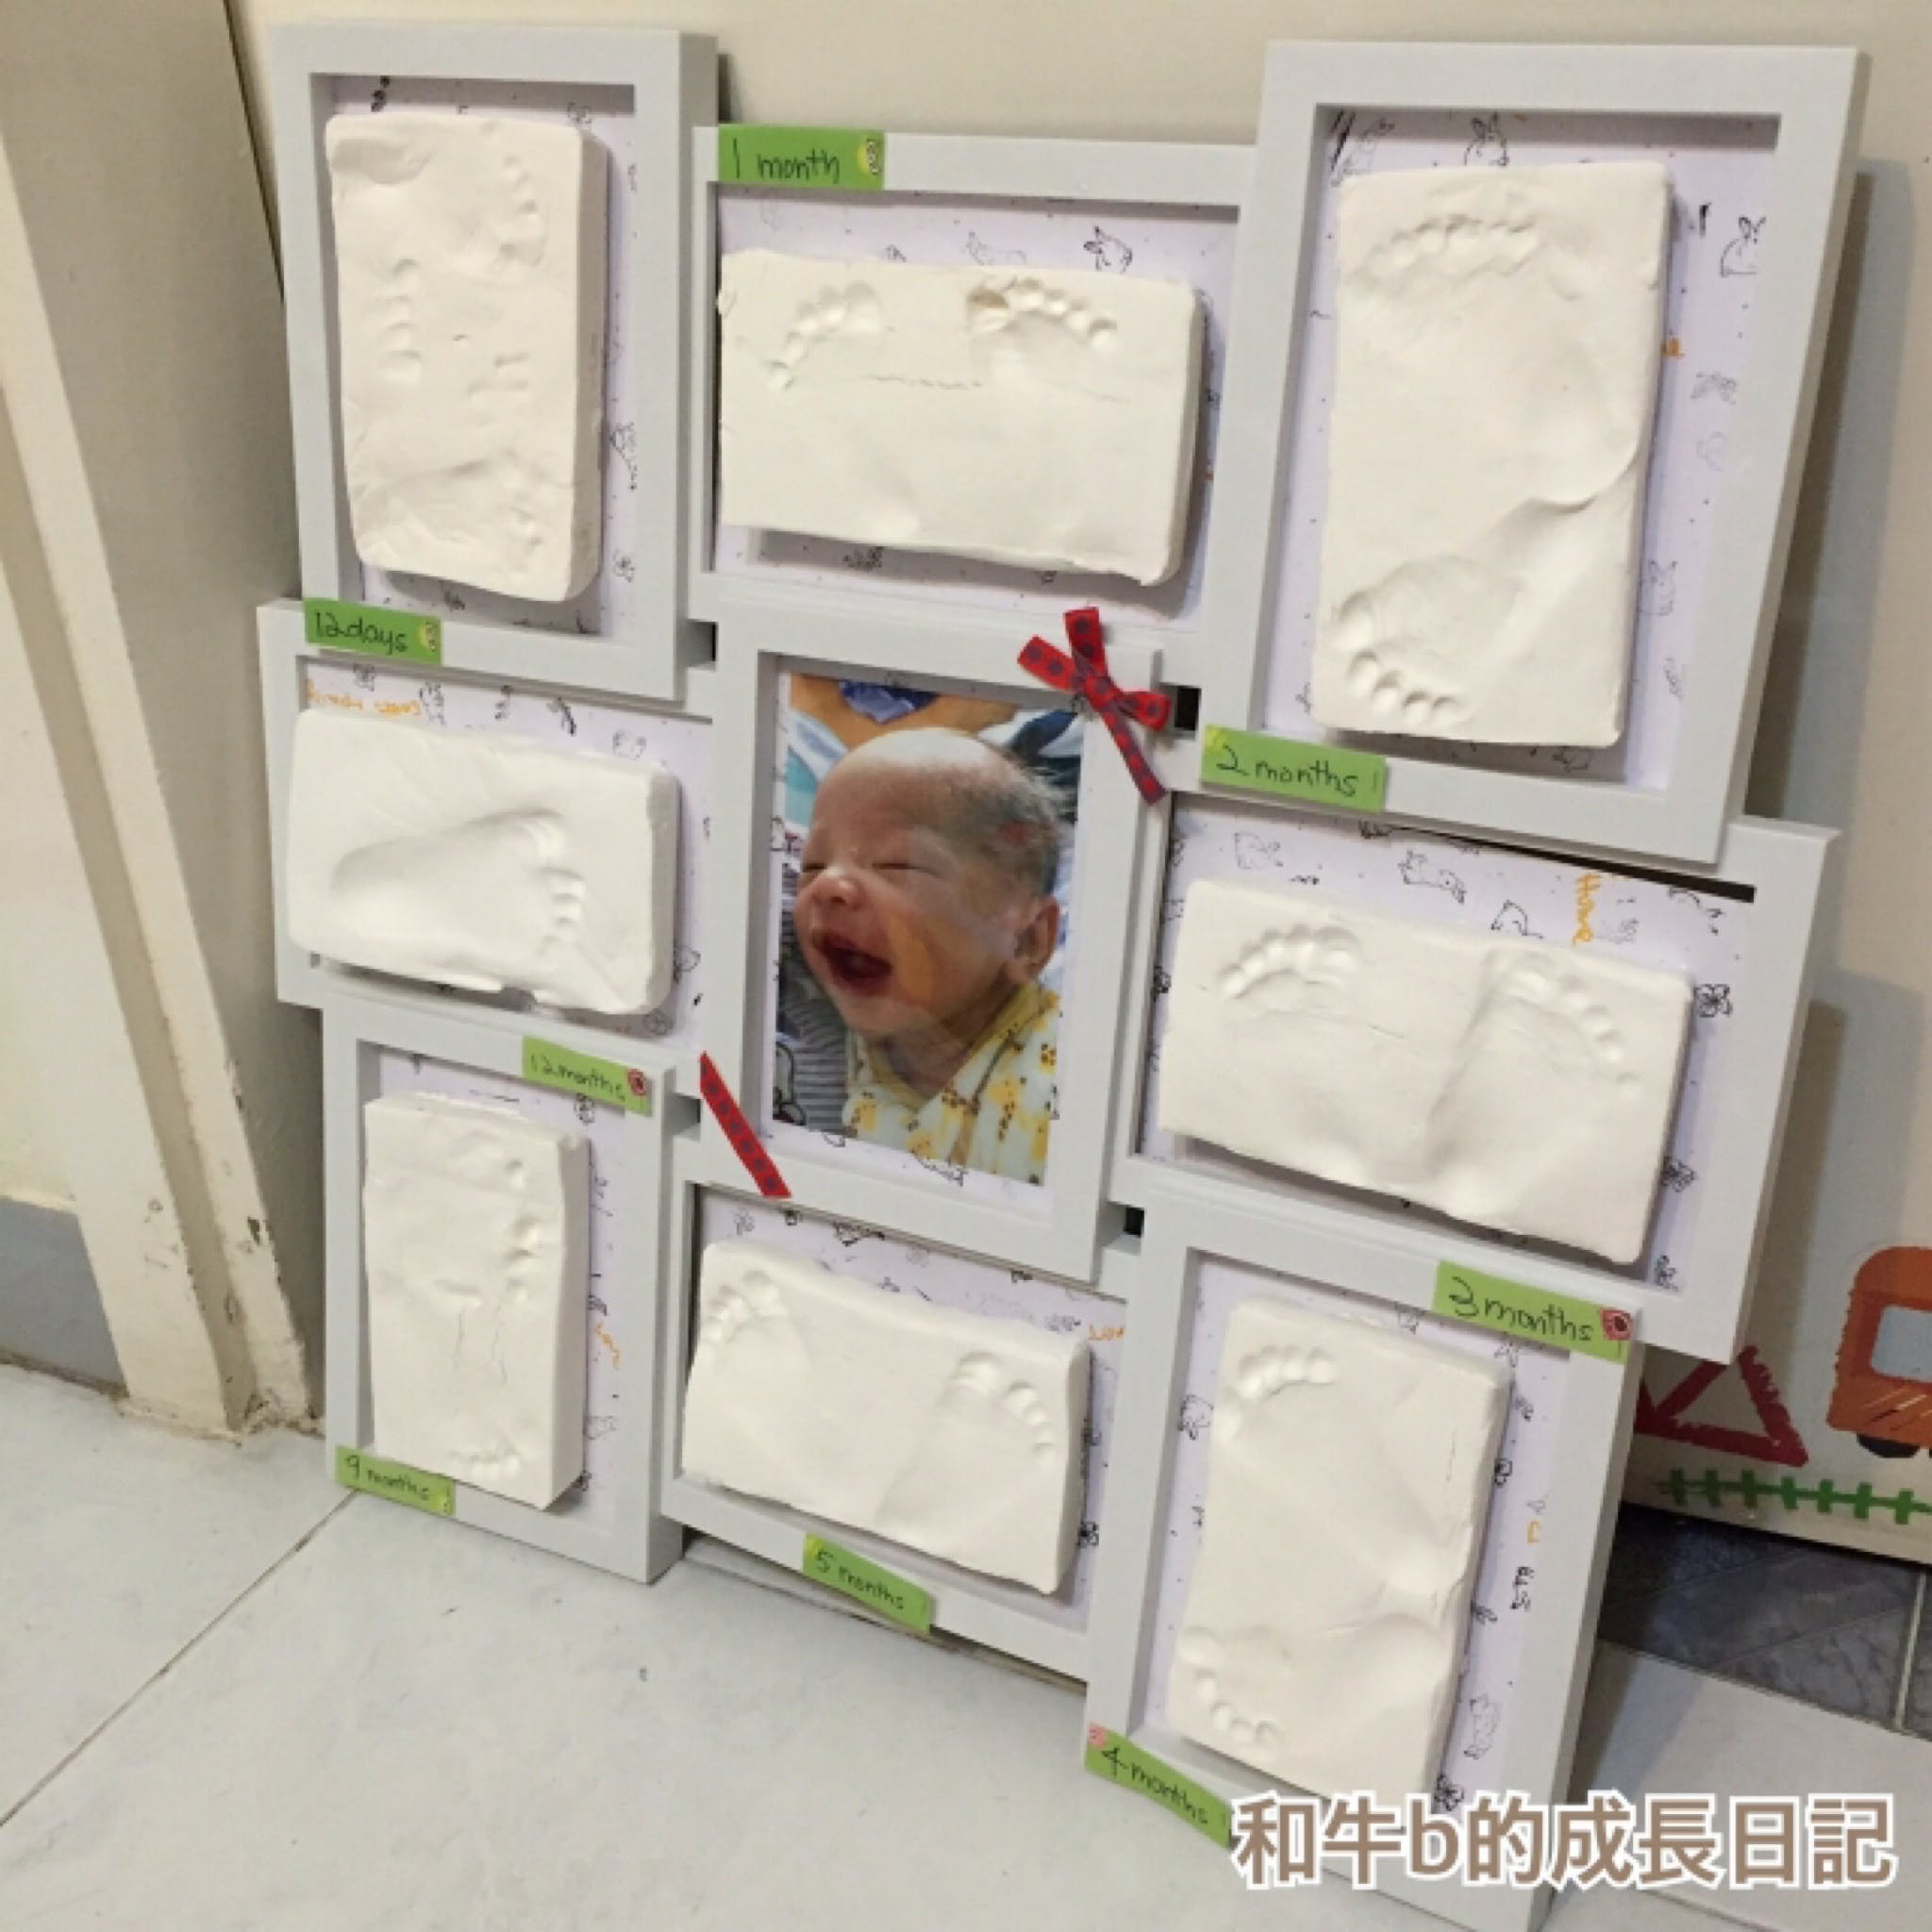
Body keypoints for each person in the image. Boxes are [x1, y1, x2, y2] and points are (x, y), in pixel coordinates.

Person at [793, 727, 1065, 1184]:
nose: (828, 885)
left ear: (1027, 940)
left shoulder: (1060, 1096)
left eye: (896, 864)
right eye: (813, 865)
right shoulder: (815, 1024)